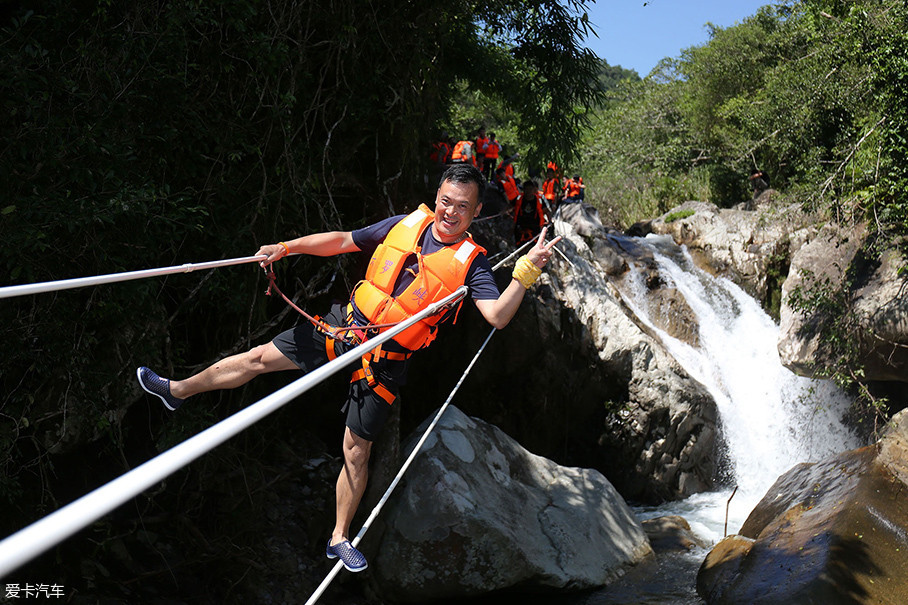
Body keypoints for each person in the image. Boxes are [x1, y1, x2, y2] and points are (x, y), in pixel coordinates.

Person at [136, 164, 560, 574]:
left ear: (476, 212)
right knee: (258, 358)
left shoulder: (473, 264)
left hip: (387, 360)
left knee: (357, 452)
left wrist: (527, 272)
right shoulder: (403, 224)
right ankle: (176, 391)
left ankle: (339, 536)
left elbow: (497, 316)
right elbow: (342, 240)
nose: (450, 213)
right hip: (347, 326)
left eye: (462, 207)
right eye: (446, 201)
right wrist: (287, 248)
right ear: (436, 198)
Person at [513, 179, 548, 244]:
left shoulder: (539, 200)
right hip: (521, 227)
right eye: (526, 189)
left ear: (533, 189)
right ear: (523, 190)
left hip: (534, 227)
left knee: (534, 246)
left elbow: (546, 210)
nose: (528, 191)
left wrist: (549, 220)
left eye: (530, 189)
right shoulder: (519, 199)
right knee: (519, 246)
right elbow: (510, 206)